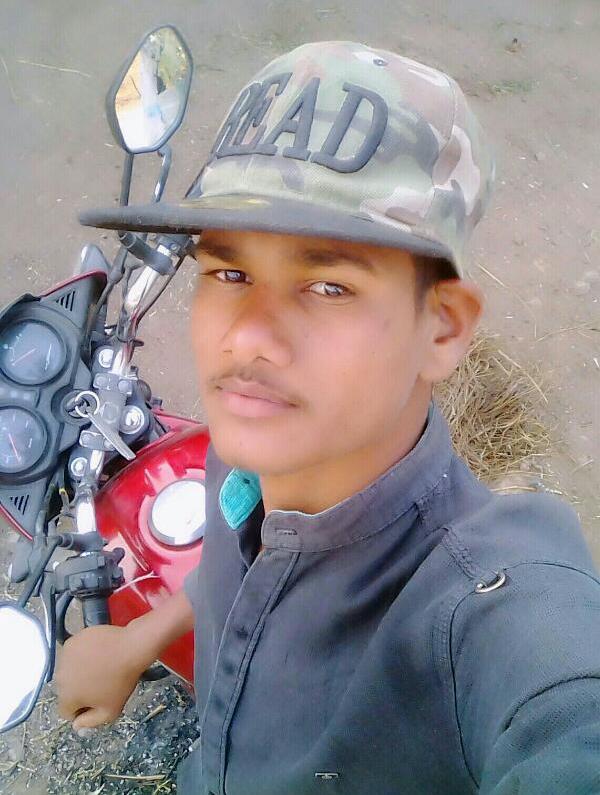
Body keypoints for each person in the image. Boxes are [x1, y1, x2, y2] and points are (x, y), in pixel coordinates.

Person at [58, 42, 600, 794]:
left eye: (329, 286)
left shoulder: (487, 602)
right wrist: (139, 639)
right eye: (230, 272)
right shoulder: (250, 447)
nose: (247, 338)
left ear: (442, 327)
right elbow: (233, 566)